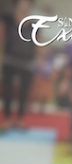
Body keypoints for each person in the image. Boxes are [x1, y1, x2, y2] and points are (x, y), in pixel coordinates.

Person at [1, 0, 36, 129]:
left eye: (27, 4)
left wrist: (38, 61)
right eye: (21, 3)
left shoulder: (34, 24)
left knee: (23, 92)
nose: (24, 6)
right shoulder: (8, 20)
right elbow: (2, 37)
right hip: (10, 60)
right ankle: (8, 118)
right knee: (8, 91)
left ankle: (20, 119)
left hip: (27, 62)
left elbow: (38, 43)